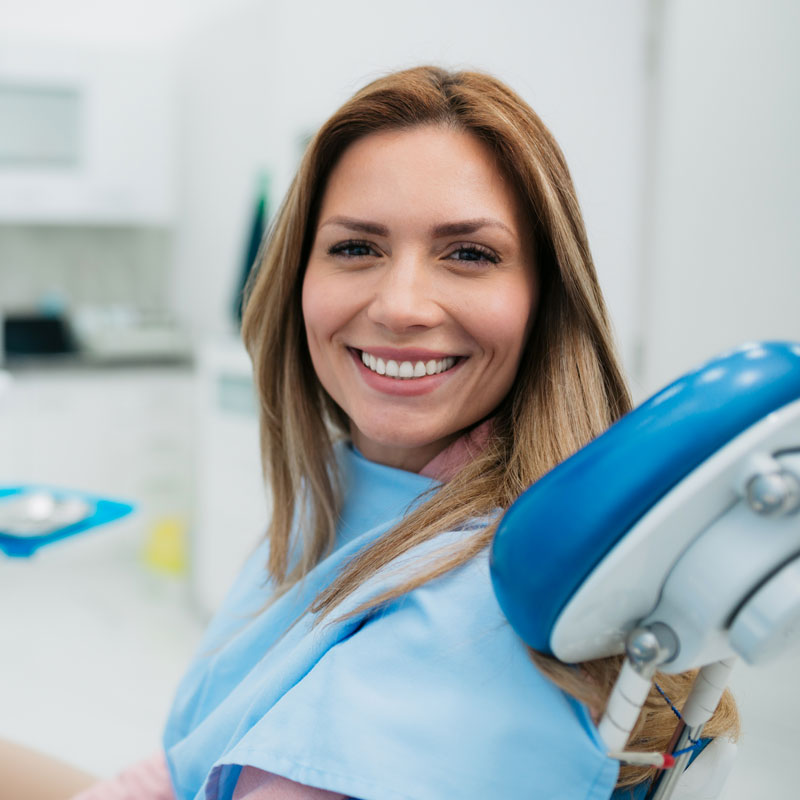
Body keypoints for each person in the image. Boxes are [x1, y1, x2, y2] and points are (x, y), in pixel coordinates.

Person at [9, 66, 738, 800]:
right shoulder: (338, 488)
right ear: (298, 278)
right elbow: (186, 763)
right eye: (357, 248)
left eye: (469, 254)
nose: (400, 306)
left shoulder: (494, 603)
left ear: (544, 299)